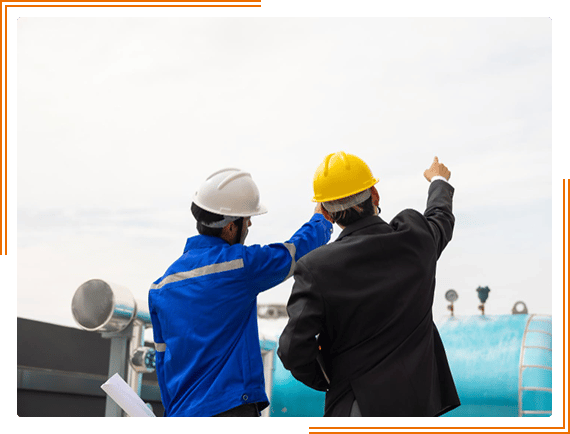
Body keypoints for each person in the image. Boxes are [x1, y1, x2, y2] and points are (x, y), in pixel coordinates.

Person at [278, 152, 460, 417]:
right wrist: (438, 180)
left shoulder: (317, 267)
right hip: (420, 405)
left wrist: (327, 378)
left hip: (358, 407)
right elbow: (440, 217)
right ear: (374, 195)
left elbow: (293, 348)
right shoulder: (415, 240)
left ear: (327, 212)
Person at [148, 168, 333, 417]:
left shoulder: (160, 287)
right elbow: (293, 253)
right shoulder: (238, 266)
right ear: (230, 228)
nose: (250, 224)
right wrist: (322, 219)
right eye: (246, 220)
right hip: (230, 409)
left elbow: (163, 363)